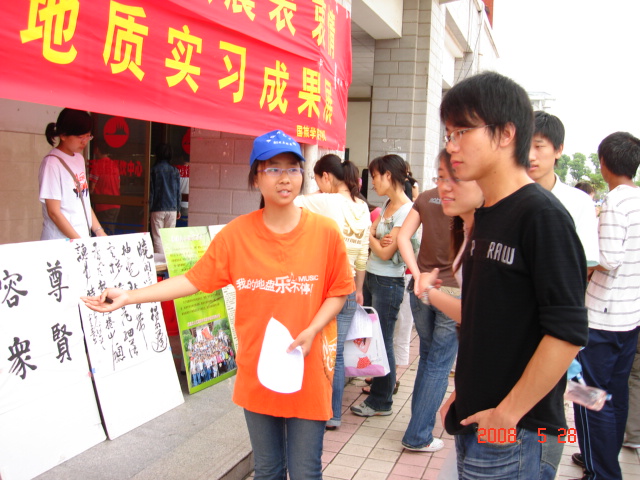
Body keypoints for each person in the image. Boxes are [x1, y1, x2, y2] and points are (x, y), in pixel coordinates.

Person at [82, 129, 354, 480]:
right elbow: (192, 280)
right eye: (273, 168)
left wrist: (313, 329)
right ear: (256, 177)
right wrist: (130, 296)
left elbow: (339, 291)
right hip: (257, 370)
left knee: (305, 471)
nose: (285, 178)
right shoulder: (236, 235)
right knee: (268, 470)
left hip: (308, 367)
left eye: (292, 168)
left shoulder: (325, 232)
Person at [438, 71, 589, 479]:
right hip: (480, 421)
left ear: (506, 133)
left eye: (462, 132)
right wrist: (465, 393)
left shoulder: (542, 216)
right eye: (449, 134)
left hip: (516, 433)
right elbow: (489, 322)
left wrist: (507, 413)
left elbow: (567, 332)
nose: (451, 146)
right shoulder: (488, 214)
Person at [396, 149, 481, 453]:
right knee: (438, 364)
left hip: (422, 289)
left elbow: (403, 237)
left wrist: (417, 273)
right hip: (453, 292)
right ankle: (418, 433)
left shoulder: (426, 197)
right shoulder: (469, 199)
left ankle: (418, 425)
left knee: (429, 359)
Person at [573, 131, 640, 480]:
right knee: (615, 393)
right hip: (630, 317)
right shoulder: (638, 199)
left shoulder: (614, 202)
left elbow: (609, 258)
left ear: (603, 163)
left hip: (602, 319)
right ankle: (600, 460)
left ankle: (601, 471)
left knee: (588, 396)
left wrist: (579, 258)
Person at [294, 153, 371, 430]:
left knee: (317, 348)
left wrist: (316, 193)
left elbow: (291, 201)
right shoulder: (362, 206)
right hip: (349, 287)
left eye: (317, 180)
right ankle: (333, 414)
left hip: (327, 289)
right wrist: (359, 289)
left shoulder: (326, 201)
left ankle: (317, 408)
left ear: (326, 177)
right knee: (336, 353)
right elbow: (362, 254)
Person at [350, 154, 412, 418]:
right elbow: (371, 233)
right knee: (374, 339)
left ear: (388, 175)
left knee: (383, 341)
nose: (372, 181)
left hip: (389, 282)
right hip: (373, 277)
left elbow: (385, 253)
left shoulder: (407, 211)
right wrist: (375, 239)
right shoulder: (387, 204)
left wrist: (373, 239)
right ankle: (378, 393)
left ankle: (381, 400)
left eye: (375, 176)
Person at [528, 111, 599, 265]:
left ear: (558, 150)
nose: (530, 156)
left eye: (538, 146)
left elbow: (584, 264)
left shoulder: (579, 203)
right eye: (523, 146)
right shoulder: (505, 199)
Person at [39, 108, 107, 240]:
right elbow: (54, 212)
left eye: (88, 136)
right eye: (80, 137)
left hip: (80, 239)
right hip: (60, 240)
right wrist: (79, 241)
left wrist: (99, 231)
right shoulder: (52, 163)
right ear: (63, 135)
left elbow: (83, 200)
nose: (84, 141)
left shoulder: (79, 158)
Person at [149, 143, 181, 254]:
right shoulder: (175, 171)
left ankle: (159, 262)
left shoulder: (154, 170)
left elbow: (151, 192)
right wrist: (178, 209)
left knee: (158, 237)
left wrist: (149, 209)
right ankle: (169, 261)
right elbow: (178, 192)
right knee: (169, 238)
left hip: (157, 208)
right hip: (172, 209)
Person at [89, 138, 121, 234]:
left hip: (103, 205)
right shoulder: (114, 165)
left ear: (97, 150)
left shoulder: (97, 165)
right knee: (110, 230)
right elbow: (118, 185)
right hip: (116, 204)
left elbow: (91, 188)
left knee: (104, 233)